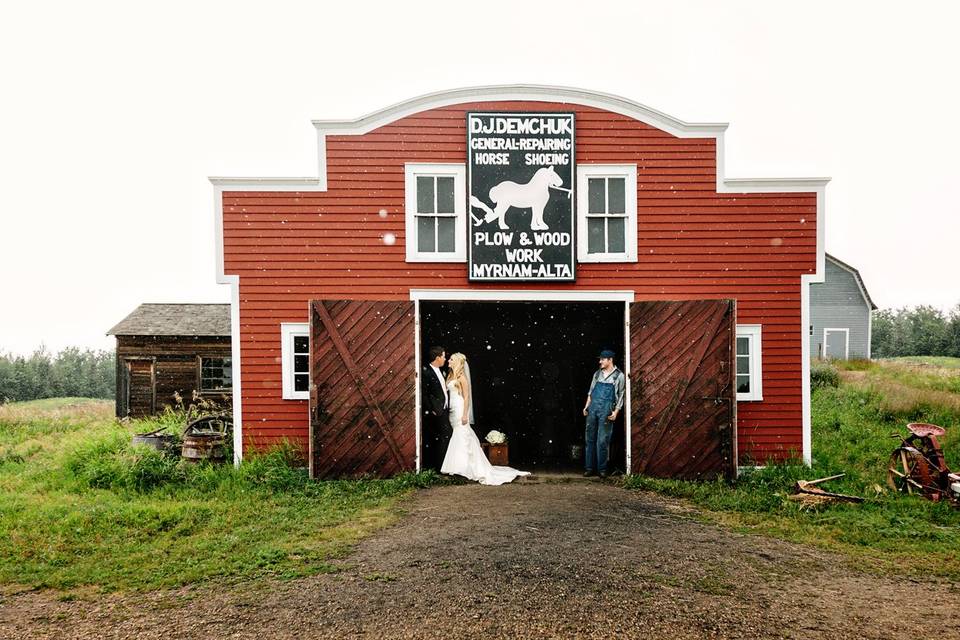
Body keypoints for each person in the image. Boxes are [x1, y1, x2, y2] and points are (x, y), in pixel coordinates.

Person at [441, 352, 530, 485]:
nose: (449, 361)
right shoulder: (450, 375)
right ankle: (461, 465)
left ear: (458, 362)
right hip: (452, 410)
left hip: (460, 409)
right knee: (459, 434)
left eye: (451, 359)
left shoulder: (462, 377)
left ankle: (462, 467)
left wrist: (465, 414)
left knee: (461, 435)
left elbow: (466, 398)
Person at [582, 349, 625, 478]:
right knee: (589, 439)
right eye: (600, 359)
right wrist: (586, 407)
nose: (600, 361)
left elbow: (621, 395)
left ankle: (602, 469)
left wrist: (616, 411)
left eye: (602, 359)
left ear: (610, 360)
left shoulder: (619, 376)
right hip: (593, 408)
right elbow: (590, 392)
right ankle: (589, 468)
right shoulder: (597, 374)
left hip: (606, 410)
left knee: (602, 441)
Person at [421, 346, 449, 470]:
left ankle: (444, 464)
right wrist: (431, 408)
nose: (445, 359)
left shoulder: (442, 371)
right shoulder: (426, 372)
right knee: (442, 436)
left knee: (445, 436)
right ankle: (438, 465)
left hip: (445, 409)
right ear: (437, 357)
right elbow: (425, 393)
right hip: (436, 411)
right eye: (443, 356)